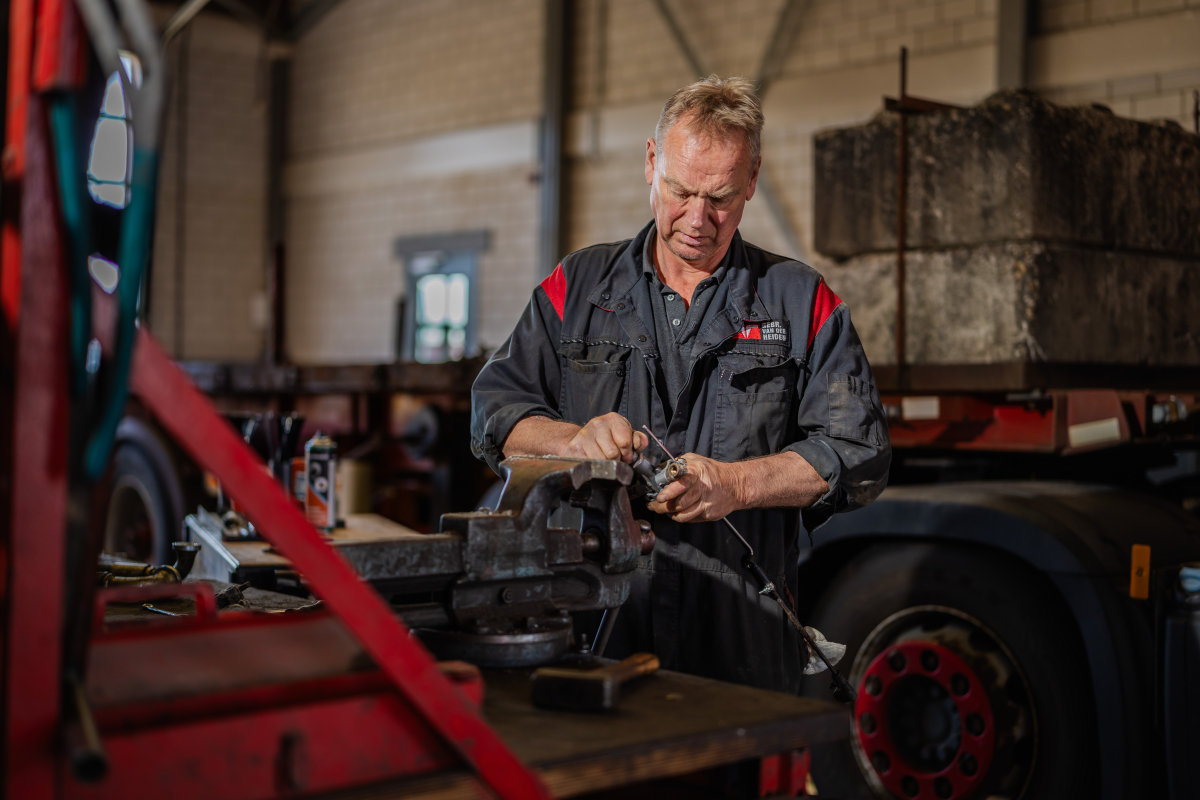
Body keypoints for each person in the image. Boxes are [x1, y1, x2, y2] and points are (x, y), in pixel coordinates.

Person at [471, 76, 890, 694]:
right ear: (651, 163)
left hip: (738, 629)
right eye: (680, 190)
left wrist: (736, 484)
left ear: (751, 181)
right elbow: (497, 415)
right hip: (595, 618)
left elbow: (859, 456)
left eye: (720, 197)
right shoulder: (576, 287)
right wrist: (573, 440)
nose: (697, 219)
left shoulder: (803, 302)